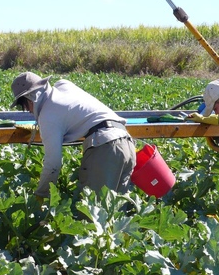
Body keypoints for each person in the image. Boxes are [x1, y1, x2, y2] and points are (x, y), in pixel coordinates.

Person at [10, 72, 136, 201]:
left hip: (105, 148)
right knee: (117, 211)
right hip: (126, 141)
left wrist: (40, 195)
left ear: (31, 98)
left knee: (93, 213)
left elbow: (53, 165)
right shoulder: (64, 86)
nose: (28, 111)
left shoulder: (48, 117)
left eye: (24, 105)